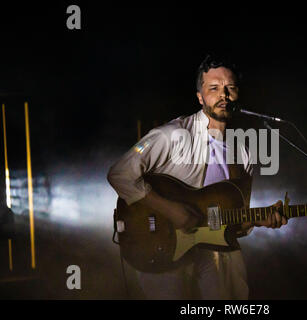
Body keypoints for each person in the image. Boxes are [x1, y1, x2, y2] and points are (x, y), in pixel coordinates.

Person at [107, 55, 287, 299]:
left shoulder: (243, 153)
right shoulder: (171, 135)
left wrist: (257, 220)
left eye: (230, 88)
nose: (223, 95)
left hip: (216, 256)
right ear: (200, 97)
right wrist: (169, 209)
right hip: (164, 248)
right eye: (214, 88)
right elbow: (120, 174)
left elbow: (235, 219)